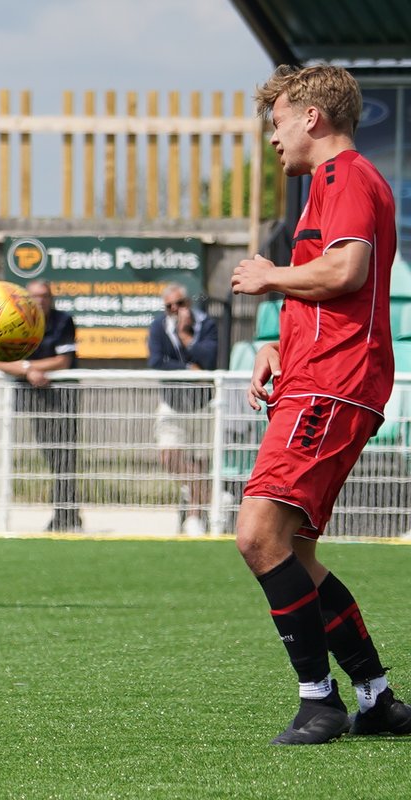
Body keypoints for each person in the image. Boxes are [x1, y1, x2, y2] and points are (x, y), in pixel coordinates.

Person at [231, 64, 411, 745]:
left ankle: (320, 703)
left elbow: (347, 270)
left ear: (311, 116)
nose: (273, 137)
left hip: (334, 383)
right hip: (316, 375)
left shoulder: (345, 177)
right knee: (295, 553)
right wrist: (277, 341)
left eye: (276, 121)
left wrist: (270, 273)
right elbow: (325, 280)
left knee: (257, 535)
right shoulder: (325, 189)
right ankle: (377, 699)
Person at [0, 280, 81, 532]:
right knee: (50, 453)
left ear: (51, 298)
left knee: (65, 454)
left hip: (61, 395)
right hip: (32, 395)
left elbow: (63, 361)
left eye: (44, 296)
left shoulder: (63, 321)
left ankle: (65, 514)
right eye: (34, 297)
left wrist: (29, 368)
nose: (39, 301)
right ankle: (67, 512)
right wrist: (29, 370)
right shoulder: (14, 320)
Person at [146, 283, 219, 536]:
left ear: (189, 302)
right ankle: (210, 495)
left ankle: (195, 517)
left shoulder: (206, 324)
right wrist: (188, 369)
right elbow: (156, 361)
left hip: (201, 404)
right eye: (169, 307)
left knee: (199, 463)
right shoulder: (158, 327)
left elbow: (209, 360)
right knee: (169, 455)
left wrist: (186, 334)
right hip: (173, 403)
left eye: (180, 304)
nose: (175, 310)